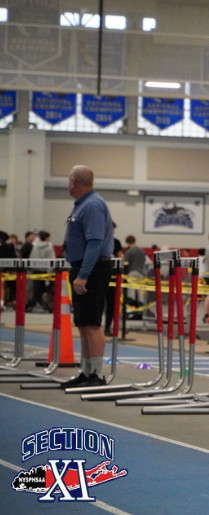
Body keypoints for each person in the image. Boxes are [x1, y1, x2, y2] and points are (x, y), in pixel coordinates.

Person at [61, 165, 115, 389]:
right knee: (83, 323)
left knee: (92, 323)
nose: (67, 185)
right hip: (83, 267)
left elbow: (95, 242)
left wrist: (83, 275)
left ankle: (97, 375)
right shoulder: (83, 204)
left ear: (74, 182)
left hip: (92, 269)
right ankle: (86, 371)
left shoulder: (92, 205)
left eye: (68, 181)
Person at [28, 230, 56, 312]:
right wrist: (50, 272)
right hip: (45, 272)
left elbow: (31, 258)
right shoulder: (49, 247)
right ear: (47, 238)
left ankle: (35, 305)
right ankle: (47, 306)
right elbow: (51, 261)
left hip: (36, 271)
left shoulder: (35, 246)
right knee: (47, 290)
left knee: (36, 289)